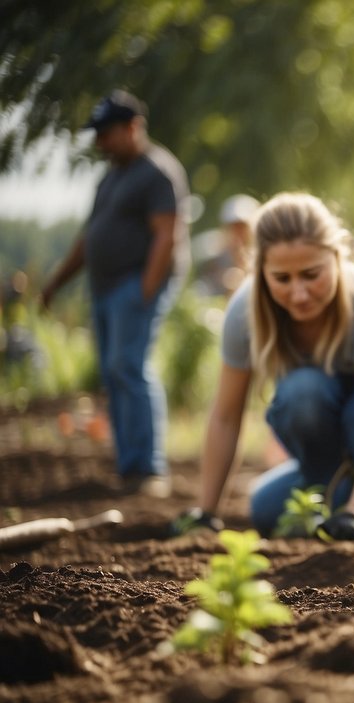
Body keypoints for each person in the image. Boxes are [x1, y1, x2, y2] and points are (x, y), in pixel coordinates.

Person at [171, 192, 354, 540]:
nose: (299, 294)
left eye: (311, 274)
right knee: (266, 509)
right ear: (261, 271)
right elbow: (225, 417)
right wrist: (206, 513)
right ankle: (332, 498)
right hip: (323, 457)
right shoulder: (245, 312)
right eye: (282, 279)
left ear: (337, 257)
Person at [39, 90, 190, 498]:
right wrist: (57, 280)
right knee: (113, 371)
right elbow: (90, 238)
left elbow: (166, 235)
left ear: (133, 127)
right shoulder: (111, 178)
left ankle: (149, 469)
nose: (101, 142)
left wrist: (145, 290)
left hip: (135, 284)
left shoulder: (157, 171)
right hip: (105, 288)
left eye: (108, 133)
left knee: (130, 365)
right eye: (98, 135)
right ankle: (129, 468)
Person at [196, 193, 259, 297]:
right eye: (234, 227)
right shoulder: (212, 257)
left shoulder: (263, 256)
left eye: (242, 226)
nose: (238, 232)